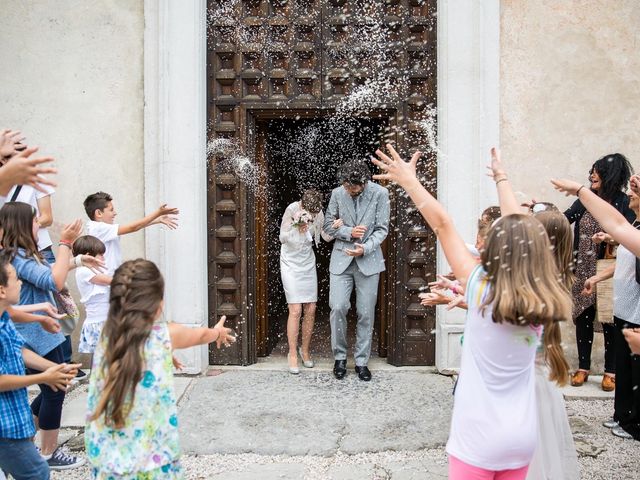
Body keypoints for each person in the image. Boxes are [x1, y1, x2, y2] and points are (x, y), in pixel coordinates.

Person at [374, 144, 571, 480]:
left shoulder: (482, 289)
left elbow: (442, 224)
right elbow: (522, 236)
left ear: (494, 249)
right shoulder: (545, 295)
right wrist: (502, 178)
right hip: (522, 439)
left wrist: (409, 181)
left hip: (479, 439)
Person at [85, 259, 236, 478]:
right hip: (153, 462)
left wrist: (167, 354)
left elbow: (136, 345)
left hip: (107, 461)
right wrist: (218, 332)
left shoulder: (106, 336)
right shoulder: (165, 335)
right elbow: (201, 335)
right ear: (159, 304)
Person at [488, 148, 578, 478]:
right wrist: (502, 178)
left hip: (521, 382)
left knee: (521, 457)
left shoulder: (531, 279)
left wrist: (501, 177)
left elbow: (512, 223)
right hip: (538, 380)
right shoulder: (552, 277)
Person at [0, 201, 85, 469]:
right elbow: (55, 281)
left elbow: (51, 273)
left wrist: (78, 260)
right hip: (34, 335)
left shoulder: (24, 254)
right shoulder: (15, 257)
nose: (40, 224)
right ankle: (47, 451)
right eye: (36, 221)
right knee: (54, 390)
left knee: (54, 387)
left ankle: (32, 441)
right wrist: (66, 242)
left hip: (44, 331)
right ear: (24, 225)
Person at [562, 173, 640, 440]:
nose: (631, 197)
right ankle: (622, 416)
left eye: (634, 196)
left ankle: (632, 420)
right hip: (620, 302)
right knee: (624, 365)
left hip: (633, 307)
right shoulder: (634, 227)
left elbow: (616, 223)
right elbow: (624, 261)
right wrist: (596, 277)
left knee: (633, 367)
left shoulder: (626, 220)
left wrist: (580, 190)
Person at [563, 153, 634, 390]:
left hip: (609, 268)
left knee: (609, 321)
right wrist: (542, 212)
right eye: (591, 170)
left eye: (598, 171)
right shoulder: (586, 199)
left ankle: (610, 371)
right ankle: (583, 368)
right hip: (582, 267)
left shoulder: (623, 202)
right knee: (583, 316)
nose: (592, 175)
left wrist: (611, 240)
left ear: (610, 175)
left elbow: (631, 237)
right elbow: (565, 219)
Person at [323, 159, 390, 381]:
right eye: (345, 186)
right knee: (338, 307)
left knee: (365, 313)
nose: (348, 190)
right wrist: (349, 232)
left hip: (368, 262)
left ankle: (362, 361)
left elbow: (382, 229)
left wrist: (365, 247)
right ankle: (339, 357)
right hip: (341, 261)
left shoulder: (380, 194)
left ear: (363, 183)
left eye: (352, 187)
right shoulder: (337, 193)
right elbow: (326, 226)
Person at [279, 189, 333, 374]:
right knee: (295, 309)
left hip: (307, 262)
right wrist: (295, 224)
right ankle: (292, 353)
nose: (312, 215)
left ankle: (305, 350)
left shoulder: (318, 212)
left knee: (311, 307)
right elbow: (282, 237)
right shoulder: (292, 209)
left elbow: (325, 236)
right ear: (302, 205)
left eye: (315, 213)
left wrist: (338, 226)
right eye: (310, 212)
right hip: (290, 262)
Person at [83, 191, 179, 275]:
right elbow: (133, 227)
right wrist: (158, 213)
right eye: (111, 210)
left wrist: (156, 220)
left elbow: (135, 227)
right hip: (107, 280)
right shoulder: (97, 228)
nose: (115, 213)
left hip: (111, 279)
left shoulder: (103, 228)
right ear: (99, 213)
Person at [72, 235, 111, 356]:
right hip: (98, 322)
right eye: (101, 254)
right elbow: (111, 280)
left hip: (106, 320)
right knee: (100, 359)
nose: (103, 257)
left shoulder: (97, 270)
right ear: (88, 255)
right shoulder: (83, 271)